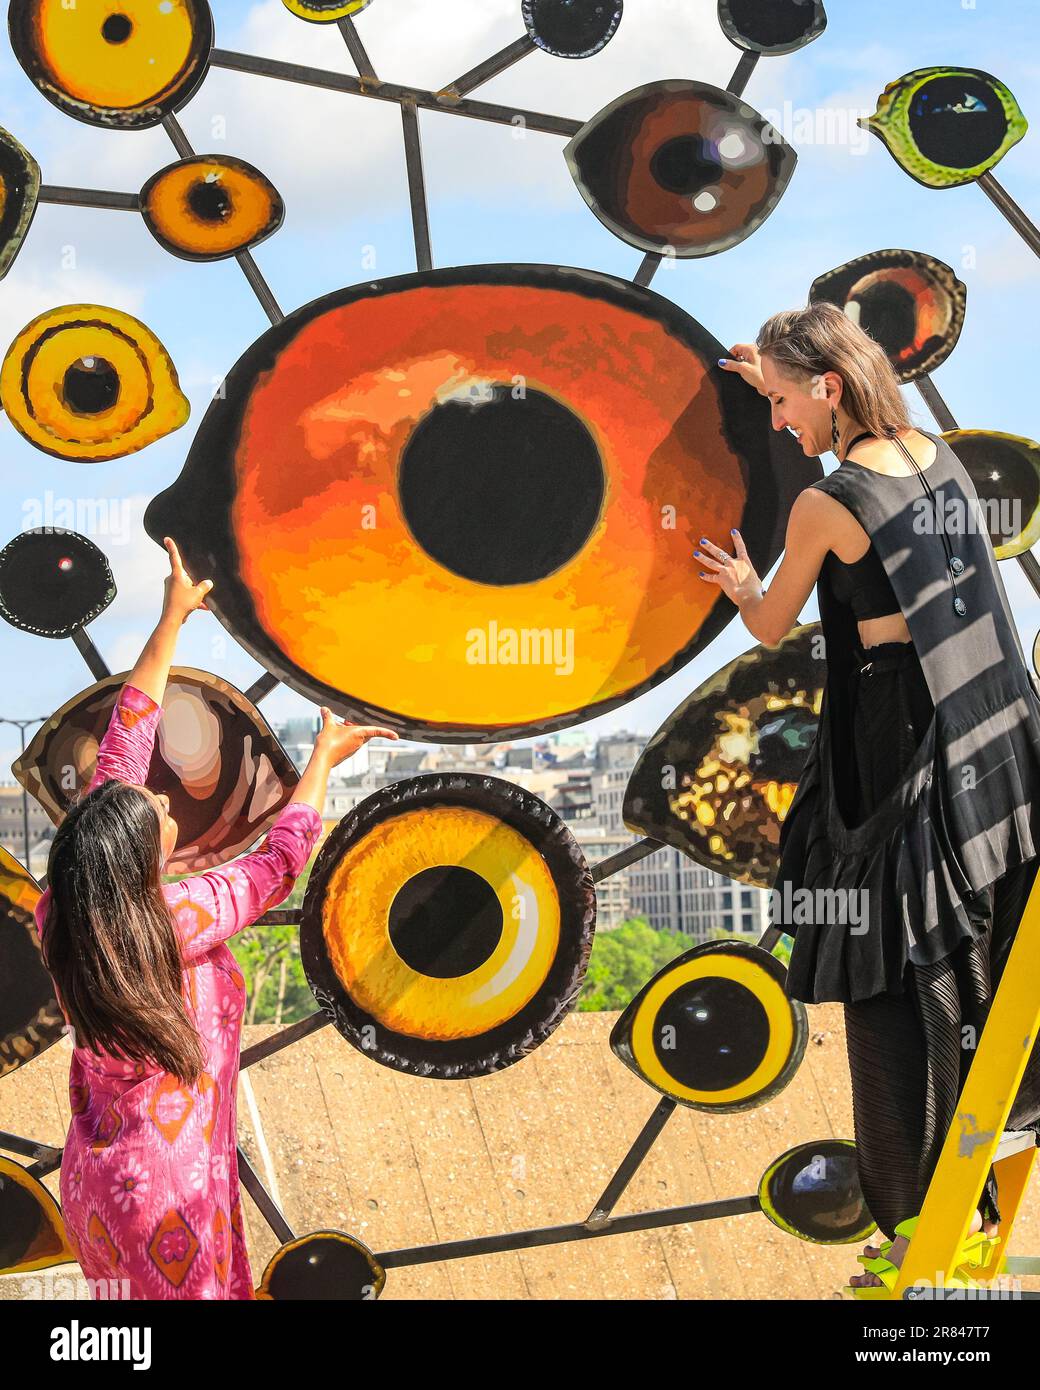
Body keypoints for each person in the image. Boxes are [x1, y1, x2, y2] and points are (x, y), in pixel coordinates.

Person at [697, 302, 1040, 1292]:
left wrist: (735, 579)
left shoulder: (823, 503)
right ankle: (968, 1197)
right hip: (984, 755)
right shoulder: (933, 457)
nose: (772, 422)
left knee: (886, 994)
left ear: (828, 387)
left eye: (777, 400)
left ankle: (923, 1227)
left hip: (888, 765)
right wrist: (767, 366)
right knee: (962, 971)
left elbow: (770, 623)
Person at [35, 536, 399, 1299]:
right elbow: (278, 863)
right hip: (172, 1194)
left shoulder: (64, 907)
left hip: (98, 1187)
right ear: (135, 856)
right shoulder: (178, 914)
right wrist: (323, 762)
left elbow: (121, 756)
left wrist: (171, 620)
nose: (167, 805)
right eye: (160, 813)